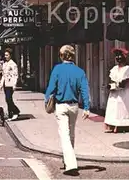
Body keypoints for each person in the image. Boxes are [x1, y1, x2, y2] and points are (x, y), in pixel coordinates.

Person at [44, 45, 90, 176]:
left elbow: (51, 87)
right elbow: (84, 90)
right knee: (71, 134)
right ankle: (67, 160)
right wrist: (86, 108)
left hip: (61, 106)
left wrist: (47, 99)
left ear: (62, 56)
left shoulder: (57, 69)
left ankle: (70, 164)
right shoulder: (79, 71)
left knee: (64, 134)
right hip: (74, 106)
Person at [104, 48, 129, 133]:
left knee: (123, 108)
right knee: (114, 108)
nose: (118, 57)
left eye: (120, 56)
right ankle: (113, 125)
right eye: (117, 56)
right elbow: (112, 80)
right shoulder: (114, 69)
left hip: (125, 92)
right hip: (115, 92)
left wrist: (121, 85)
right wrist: (111, 86)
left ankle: (124, 126)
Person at [0, 48, 20, 121]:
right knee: (7, 99)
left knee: (9, 99)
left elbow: (15, 75)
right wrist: (1, 84)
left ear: (10, 55)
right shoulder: (5, 64)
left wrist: (14, 85)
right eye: (5, 55)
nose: (5, 56)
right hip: (5, 83)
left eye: (7, 55)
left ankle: (16, 111)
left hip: (10, 84)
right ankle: (10, 114)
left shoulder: (13, 64)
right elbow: (4, 75)